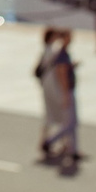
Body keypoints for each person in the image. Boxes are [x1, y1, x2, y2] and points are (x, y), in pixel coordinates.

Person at [34, 26, 81, 173]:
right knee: (66, 122)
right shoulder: (55, 53)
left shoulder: (54, 52)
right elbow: (60, 73)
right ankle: (50, 142)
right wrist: (65, 94)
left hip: (55, 91)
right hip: (57, 91)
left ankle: (71, 149)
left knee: (65, 121)